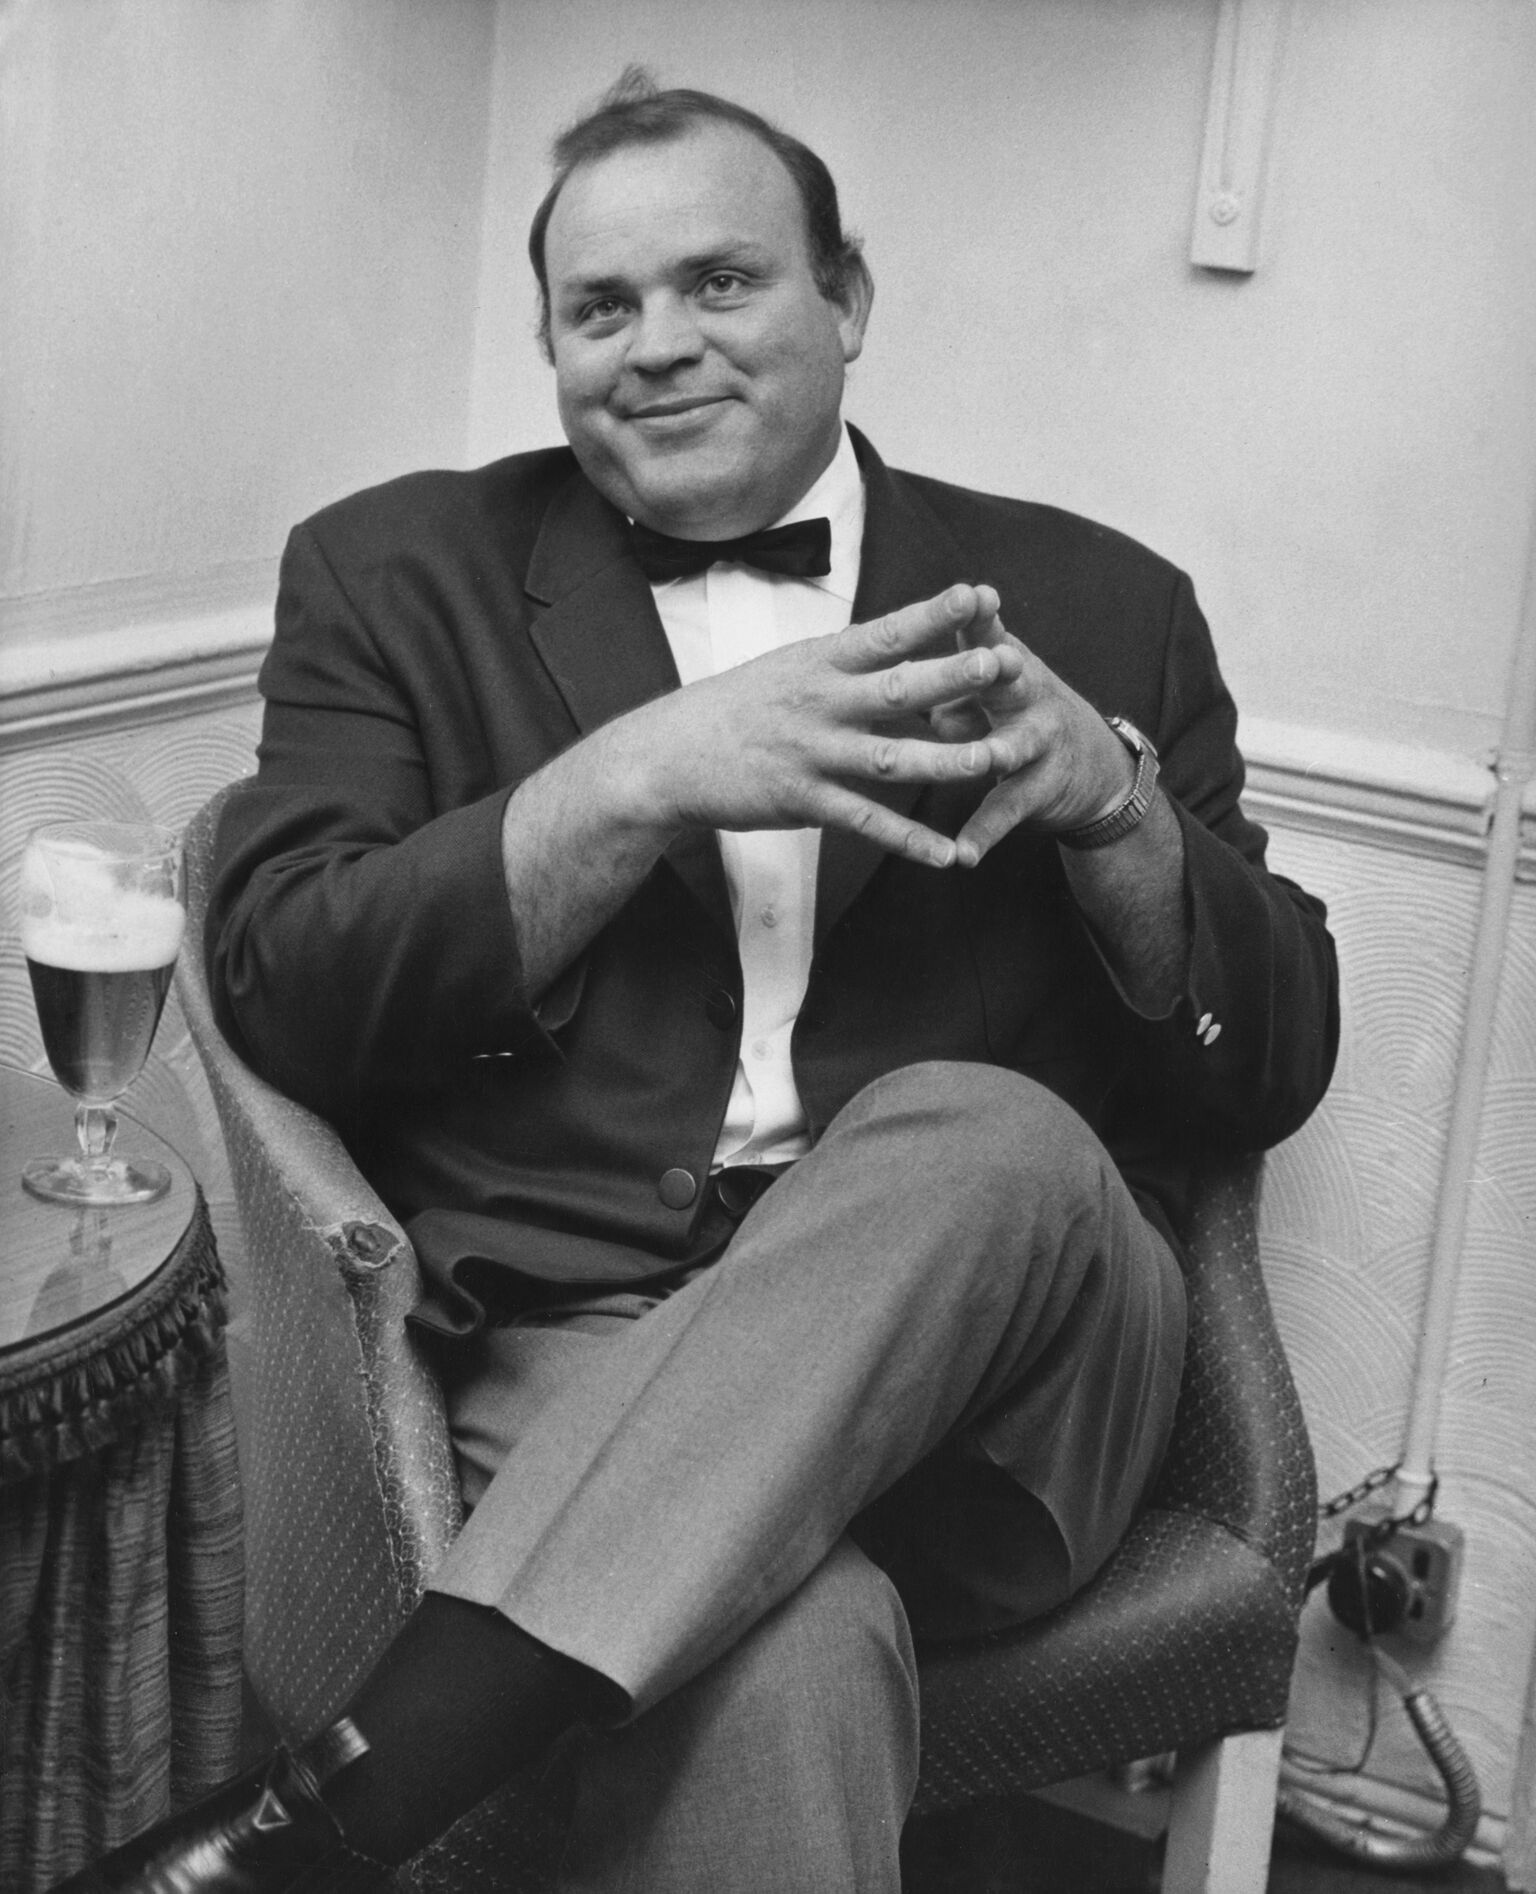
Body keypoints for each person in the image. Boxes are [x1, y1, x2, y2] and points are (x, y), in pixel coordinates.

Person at [60, 70, 1338, 1894]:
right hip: (590, 1361)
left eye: (721, 284)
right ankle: (314, 1833)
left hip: (1014, 1411)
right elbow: (283, 988)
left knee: (984, 1133)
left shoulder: (1101, 601)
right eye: (601, 309)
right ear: (554, 348)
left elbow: (1272, 1059)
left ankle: (332, 1818)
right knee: (773, 1655)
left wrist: (1113, 813)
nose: (656, 346)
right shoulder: (391, 570)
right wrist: (635, 773)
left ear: (849, 302)